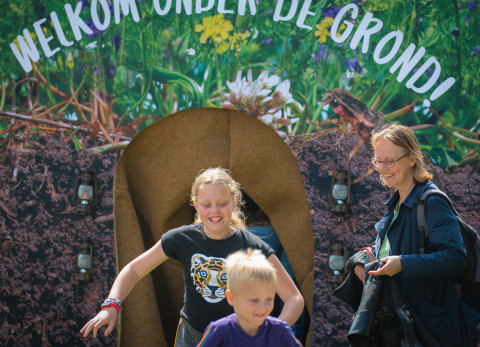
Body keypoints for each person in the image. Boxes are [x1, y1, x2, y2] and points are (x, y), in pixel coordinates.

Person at [80, 167, 304, 347]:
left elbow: (294, 298)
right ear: (196, 206)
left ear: (234, 203)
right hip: (192, 335)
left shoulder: (252, 246)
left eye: (222, 204)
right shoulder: (182, 239)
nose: (214, 211)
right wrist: (111, 305)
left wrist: (268, 332)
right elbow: (134, 269)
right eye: (206, 205)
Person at [351, 122, 479, 346]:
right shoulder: (396, 203)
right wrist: (361, 260)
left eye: (390, 161)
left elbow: (457, 257)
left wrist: (402, 264)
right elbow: (390, 249)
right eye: (378, 160)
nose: (383, 167)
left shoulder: (432, 201)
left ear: (412, 159)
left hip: (429, 329)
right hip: (402, 325)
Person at [196, 248, 302, 346]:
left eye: (269, 299)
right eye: (254, 300)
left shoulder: (281, 331)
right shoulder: (219, 331)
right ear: (231, 298)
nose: (262, 307)